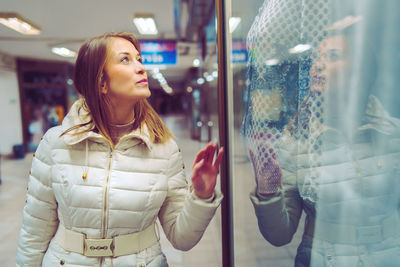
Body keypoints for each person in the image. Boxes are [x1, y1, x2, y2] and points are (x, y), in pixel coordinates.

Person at [16, 32, 224, 267]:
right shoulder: (56, 143)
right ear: (101, 82)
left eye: (139, 59)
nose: (140, 68)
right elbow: (34, 232)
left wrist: (201, 195)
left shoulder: (164, 149)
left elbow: (182, 238)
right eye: (125, 60)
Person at [248, 5, 400, 266]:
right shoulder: (297, 138)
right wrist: (268, 191)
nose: (317, 65)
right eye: (317, 57)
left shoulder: (391, 133)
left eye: (331, 56)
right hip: (322, 256)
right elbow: (280, 235)